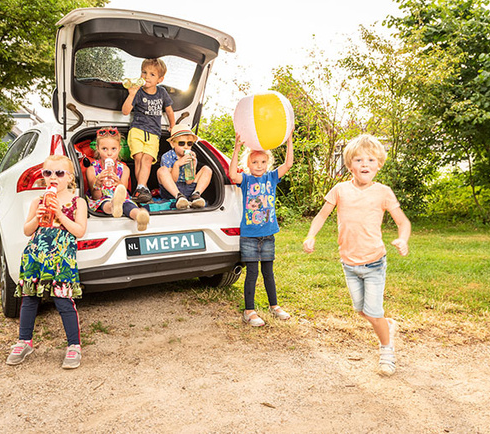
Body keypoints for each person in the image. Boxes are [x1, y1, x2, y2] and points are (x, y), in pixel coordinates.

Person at [302, 134, 411, 377]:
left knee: (372, 312)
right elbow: (321, 215)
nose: (365, 164)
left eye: (371, 159)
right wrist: (311, 236)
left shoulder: (383, 192)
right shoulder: (340, 190)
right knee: (362, 311)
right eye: (359, 160)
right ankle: (388, 325)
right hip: (349, 264)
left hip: (374, 263)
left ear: (379, 164)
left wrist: (403, 239)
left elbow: (403, 222)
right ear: (350, 164)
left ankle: (387, 351)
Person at [6, 155, 88, 369]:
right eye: (48, 173)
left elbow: (79, 231)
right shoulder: (37, 201)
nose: (53, 177)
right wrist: (37, 216)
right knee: (30, 299)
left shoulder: (77, 202)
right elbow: (27, 230)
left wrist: (60, 214)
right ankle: (24, 341)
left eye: (59, 173)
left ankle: (73, 346)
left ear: (70, 177)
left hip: (61, 259)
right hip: (35, 256)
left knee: (63, 301)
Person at [229, 132, 294, 327]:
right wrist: (236, 149)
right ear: (248, 164)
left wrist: (289, 140)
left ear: (268, 163)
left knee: (268, 272)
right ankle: (249, 311)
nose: (259, 166)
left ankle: (274, 306)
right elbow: (232, 175)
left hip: (268, 234)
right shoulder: (247, 180)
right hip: (249, 235)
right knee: (252, 273)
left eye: (263, 162)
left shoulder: (272, 177)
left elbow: (288, 164)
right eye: (255, 162)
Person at [122, 58, 176, 203]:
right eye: (144, 72)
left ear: (160, 79)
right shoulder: (138, 92)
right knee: (139, 158)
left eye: (152, 74)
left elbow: (169, 111)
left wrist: (173, 126)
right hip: (137, 130)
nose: (146, 76)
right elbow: (125, 111)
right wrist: (132, 94)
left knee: (147, 159)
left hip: (154, 133)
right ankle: (142, 188)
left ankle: (140, 188)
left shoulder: (162, 92)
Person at [86, 127, 150, 231]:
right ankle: (114, 206)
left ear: (119, 148)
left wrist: (118, 183)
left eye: (113, 149)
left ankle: (139, 216)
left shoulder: (124, 169)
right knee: (105, 203)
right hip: (102, 199)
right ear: (97, 148)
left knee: (128, 204)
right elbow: (96, 197)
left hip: (121, 198)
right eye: (104, 149)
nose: (109, 153)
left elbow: (123, 192)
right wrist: (98, 183)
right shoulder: (92, 169)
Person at [157, 124, 213, 209]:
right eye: (181, 143)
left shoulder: (191, 156)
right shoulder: (167, 156)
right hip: (172, 190)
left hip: (188, 188)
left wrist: (192, 165)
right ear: (173, 144)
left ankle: (196, 195)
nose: (186, 146)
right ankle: (179, 197)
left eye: (189, 143)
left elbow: (189, 181)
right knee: (162, 170)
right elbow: (173, 180)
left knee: (207, 169)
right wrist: (177, 164)